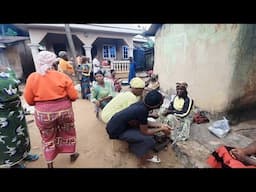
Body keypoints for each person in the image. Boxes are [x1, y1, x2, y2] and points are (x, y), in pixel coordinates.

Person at [24, 51, 79, 168]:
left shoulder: (32, 77)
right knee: (68, 131)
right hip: (64, 111)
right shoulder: (62, 76)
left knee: (47, 136)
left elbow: (29, 101)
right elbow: (74, 96)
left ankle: (50, 163)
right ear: (53, 62)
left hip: (44, 114)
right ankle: (72, 154)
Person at [106, 90, 171, 166]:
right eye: (161, 102)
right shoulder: (143, 111)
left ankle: (134, 146)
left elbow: (143, 122)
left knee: (145, 129)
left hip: (113, 125)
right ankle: (143, 158)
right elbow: (145, 132)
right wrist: (161, 129)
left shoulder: (140, 104)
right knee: (149, 140)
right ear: (156, 106)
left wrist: (160, 125)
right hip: (116, 132)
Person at [0, 63, 39, 168]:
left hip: (17, 112)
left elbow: (18, 89)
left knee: (21, 134)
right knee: (8, 138)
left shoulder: (8, 71)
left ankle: (24, 154)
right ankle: (13, 163)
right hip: (2, 115)